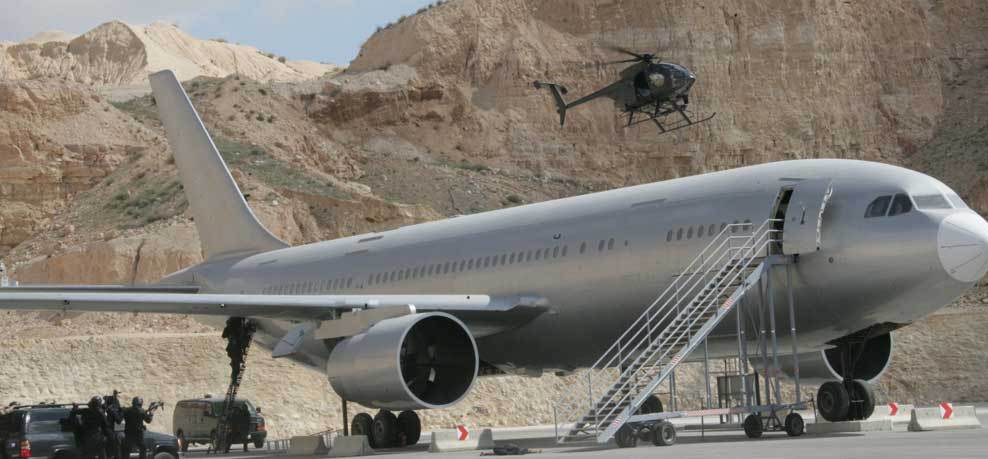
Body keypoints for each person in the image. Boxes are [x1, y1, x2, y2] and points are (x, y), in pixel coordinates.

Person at [104, 391, 123, 459]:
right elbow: (119, 421)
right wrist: (121, 413)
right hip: (110, 434)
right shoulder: (112, 411)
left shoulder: (102, 411)